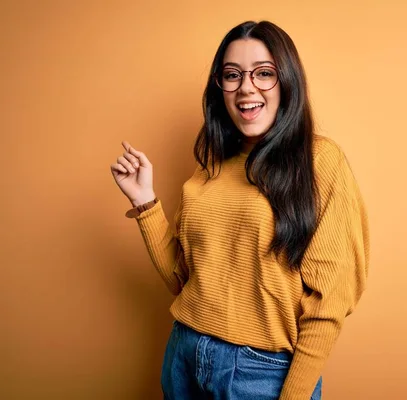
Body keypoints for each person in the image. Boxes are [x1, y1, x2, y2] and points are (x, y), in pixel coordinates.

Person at [110, 20, 369, 400]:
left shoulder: (318, 161)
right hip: (183, 354)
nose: (246, 87)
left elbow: (330, 301)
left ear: (288, 81)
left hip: (261, 374)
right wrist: (145, 202)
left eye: (264, 73)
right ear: (220, 87)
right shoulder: (213, 164)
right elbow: (186, 280)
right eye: (232, 75)